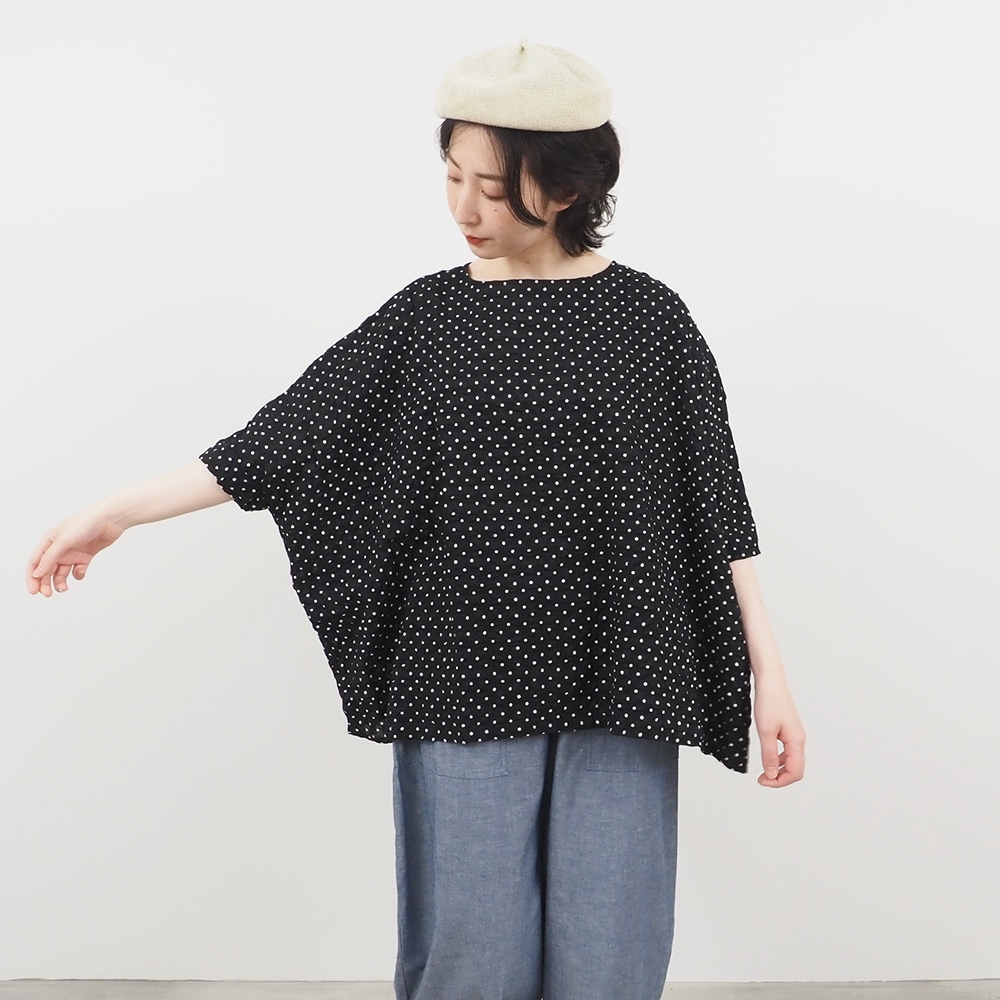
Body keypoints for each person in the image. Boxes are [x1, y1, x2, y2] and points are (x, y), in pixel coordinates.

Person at [26, 40, 805, 1000]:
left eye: (493, 187)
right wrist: (118, 511)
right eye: (451, 177)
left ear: (566, 188)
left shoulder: (651, 322)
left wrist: (770, 676)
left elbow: (716, 506)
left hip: (626, 664)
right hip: (463, 672)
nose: (464, 208)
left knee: (613, 942)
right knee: (471, 947)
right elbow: (285, 441)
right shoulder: (427, 321)